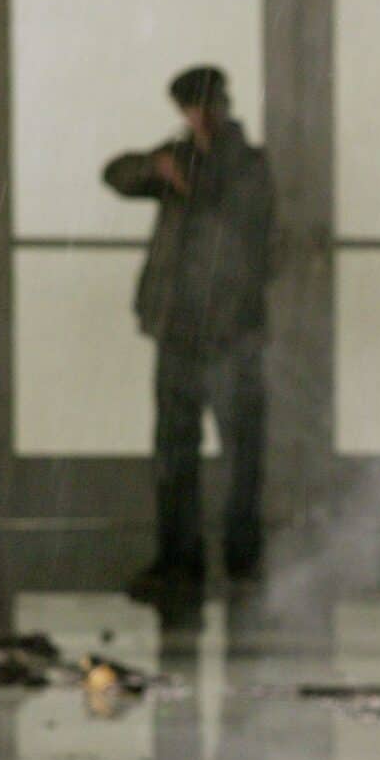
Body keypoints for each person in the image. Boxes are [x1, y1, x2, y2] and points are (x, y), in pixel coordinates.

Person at [105, 65, 276, 598]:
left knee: (241, 452)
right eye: (191, 108)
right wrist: (157, 165)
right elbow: (117, 174)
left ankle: (243, 560)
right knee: (174, 451)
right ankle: (179, 560)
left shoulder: (247, 164)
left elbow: (237, 213)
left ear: (222, 105)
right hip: (178, 329)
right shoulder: (177, 156)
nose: (200, 117)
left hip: (230, 332)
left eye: (205, 106)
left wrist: (189, 172)